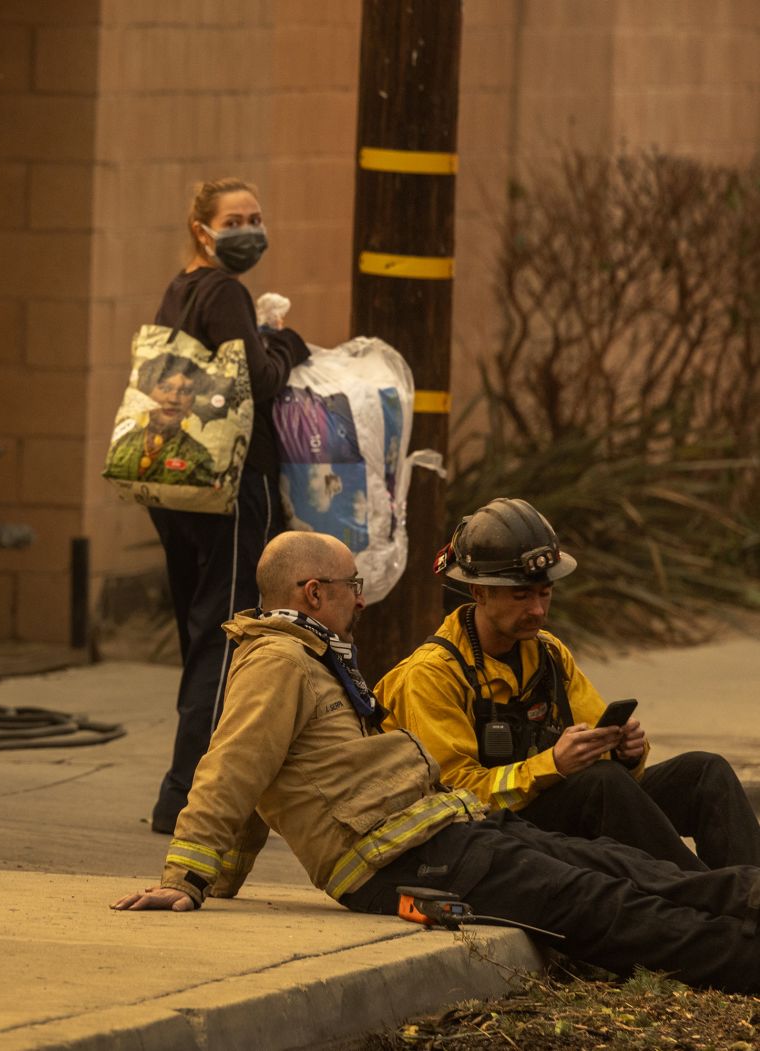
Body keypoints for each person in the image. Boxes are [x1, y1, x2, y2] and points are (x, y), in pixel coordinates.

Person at [112, 531, 760, 996]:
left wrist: (219, 877)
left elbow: (264, 780)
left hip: (448, 834)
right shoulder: (279, 662)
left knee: (625, 866)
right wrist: (186, 874)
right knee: (602, 903)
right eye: (351, 586)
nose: (361, 600)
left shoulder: (306, 657)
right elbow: (233, 767)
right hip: (406, 859)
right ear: (312, 591)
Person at [376, 497, 760, 870]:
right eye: (521, 596)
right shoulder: (432, 674)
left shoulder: (549, 654)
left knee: (704, 773)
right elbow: (457, 795)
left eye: (545, 593)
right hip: (484, 831)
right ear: (480, 592)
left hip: (553, 806)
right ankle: (712, 898)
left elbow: (601, 743)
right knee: (602, 784)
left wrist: (625, 750)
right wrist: (553, 764)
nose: (537, 610)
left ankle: (751, 891)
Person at [146, 178, 311, 833]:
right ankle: (188, 796)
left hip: (176, 481)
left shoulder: (179, 289)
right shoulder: (223, 290)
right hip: (231, 482)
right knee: (227, 632)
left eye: (257, 217)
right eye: (235, 219)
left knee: (201, 631)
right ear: (202, 229)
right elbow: (260, 378)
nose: (250, 229)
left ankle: (183, 787)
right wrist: (285, 341)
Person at [105, 355, 217, 486]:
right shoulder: (123, 444)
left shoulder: (199, 457)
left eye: (185, 391)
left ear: (192, 402)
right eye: (165, 388)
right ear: (146, 392)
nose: (173, 399)